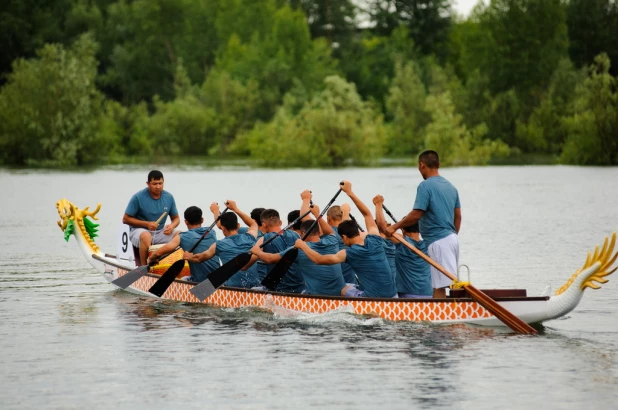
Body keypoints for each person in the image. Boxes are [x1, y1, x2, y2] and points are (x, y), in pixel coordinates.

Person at [295, 182, 397, 298]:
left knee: (343, 289)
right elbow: (367, 215)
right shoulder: (375, 239)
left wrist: (302, 245)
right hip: (393, 296)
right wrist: (350, 192)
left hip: (372, 300)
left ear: (344, 237)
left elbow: (319, 260)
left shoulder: (348, 253)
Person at [385, 150, 461, 298]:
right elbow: (458, 217)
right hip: (453, 239)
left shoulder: (425, 186)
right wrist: (452, 235)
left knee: (439, 287)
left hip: (438, 241)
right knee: (445, 284)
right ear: (439, 164)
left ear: (421, 165)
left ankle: (441, 319)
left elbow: (416, 215)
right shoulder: (452, 187)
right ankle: (449, 312)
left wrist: (394, 226)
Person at [251, 191, 345, 296]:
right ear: (319, 232)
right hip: (339, 295)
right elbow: (329, 231)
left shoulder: (298, 250)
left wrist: (256, 252)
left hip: (314, 298)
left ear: (303, 233)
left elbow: (270, 259)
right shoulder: (333, 240)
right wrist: (316, 212)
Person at [184, 200, 261, 288]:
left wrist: (189, 257)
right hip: (255, 287)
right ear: (238, 226)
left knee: (203, 288)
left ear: (223, 228)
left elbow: (200, 258)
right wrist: (235, 209)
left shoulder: (219, 245)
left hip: (233, 288)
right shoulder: (250, 237)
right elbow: (253, 224)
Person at [148, 206, 220, 283]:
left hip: (199, 282)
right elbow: (220, 222)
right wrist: (216, 211)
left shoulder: (182, 237)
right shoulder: (211, 232)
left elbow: (158, 253)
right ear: (202, 220)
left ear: (186, 222)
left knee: (182, 279)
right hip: (218, 280)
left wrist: (151, 259)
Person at [123, 170, 180, 265]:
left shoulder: (169, 197)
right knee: (146, 235)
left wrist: (172, 226)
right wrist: (147, 224)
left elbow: (176, 219)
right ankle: (144, 267)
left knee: (181, 235)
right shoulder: (137, 197)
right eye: (154, 184)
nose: (158, 186)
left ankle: (174, 265)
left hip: (160, 232)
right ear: (148, 184)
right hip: (139, 231)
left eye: (160, 183)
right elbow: (125, 219)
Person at [253, 209, 306, 293]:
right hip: (301, 288)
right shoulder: (296, 235)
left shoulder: (263, 239)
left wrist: (256, 251)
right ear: (281, 222)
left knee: (254, 289)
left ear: (264, 225)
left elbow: (246, 266)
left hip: (279, 289)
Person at [327, 205, 358, 285]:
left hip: (332, 284)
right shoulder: (354, 235)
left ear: (328, 218)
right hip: (351, 284)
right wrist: (346, 212)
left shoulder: (327, 233)